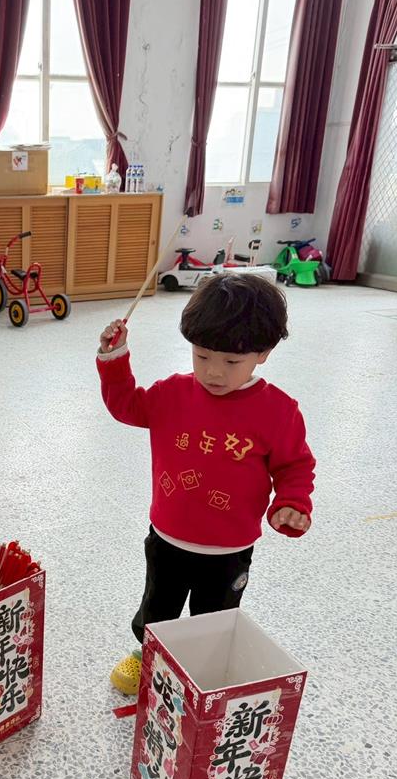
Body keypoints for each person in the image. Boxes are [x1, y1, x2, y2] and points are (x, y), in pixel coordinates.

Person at [97, 273, 315, 694]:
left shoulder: (279, 411)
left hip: (229, 549)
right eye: (201, 356)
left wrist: (292, 503)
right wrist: (114, 359)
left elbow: (295, 467)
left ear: (263, 353)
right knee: (157, 605)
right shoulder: (172, 393)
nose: (213, 372)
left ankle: (204, 668)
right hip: (167, 537)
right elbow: (127, 406)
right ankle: (148, 653)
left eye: (232, 362)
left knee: (215, 619)